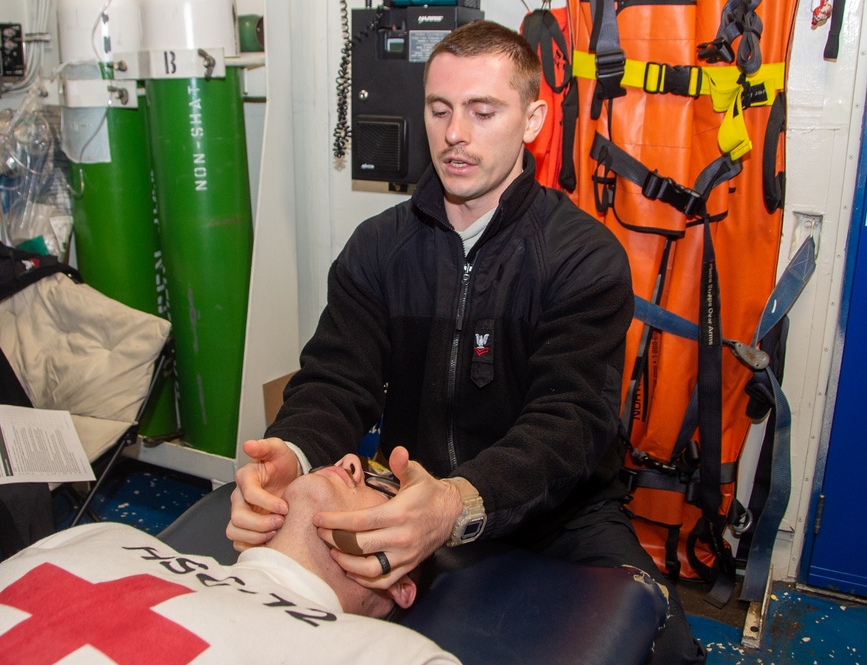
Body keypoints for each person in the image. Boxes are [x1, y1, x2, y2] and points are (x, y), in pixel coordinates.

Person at [227, 19, 706, 665]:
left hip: (557, 517)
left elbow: (569, 423)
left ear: (533, 120)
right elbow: (337, 380)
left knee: (664, 645)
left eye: (483, 111)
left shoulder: (582, 257)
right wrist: (291, 452)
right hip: (409, 494)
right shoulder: (379, 249)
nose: (454, 134)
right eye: (439, 109)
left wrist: (458, 503)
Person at [0, 455, 460, 665]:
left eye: (380, 486)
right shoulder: (105, 539)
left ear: (401, 582)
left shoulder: (383, 654)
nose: (353, 462)